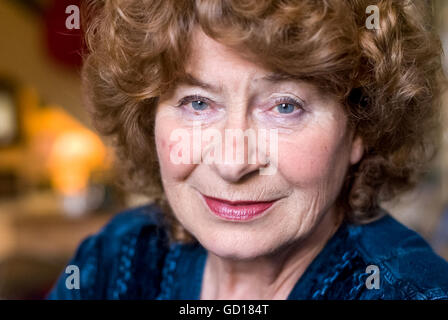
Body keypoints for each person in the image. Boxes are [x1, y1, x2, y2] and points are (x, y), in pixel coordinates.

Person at [48, 0, 448, 299]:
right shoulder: (116, 257)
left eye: (286, 106)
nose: (233, 163)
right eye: (198, 103)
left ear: (361, 126)